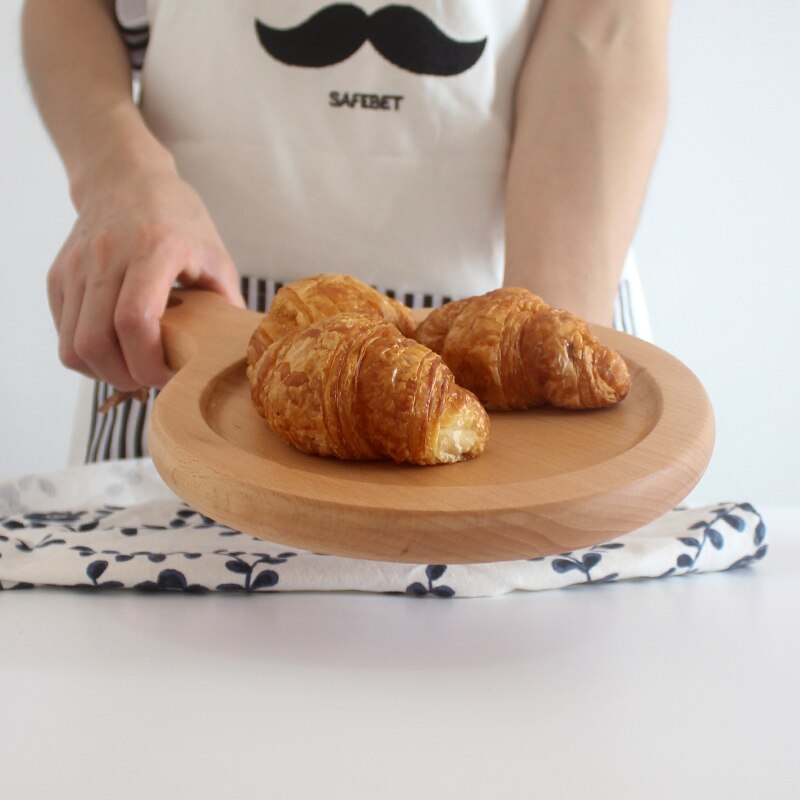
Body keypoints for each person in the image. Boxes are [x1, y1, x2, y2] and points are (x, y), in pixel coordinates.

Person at [21, 0, 671, 461]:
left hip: (507, 301)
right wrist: (120, 175)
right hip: (188, 309)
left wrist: (542, 382)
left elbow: (605, 27)